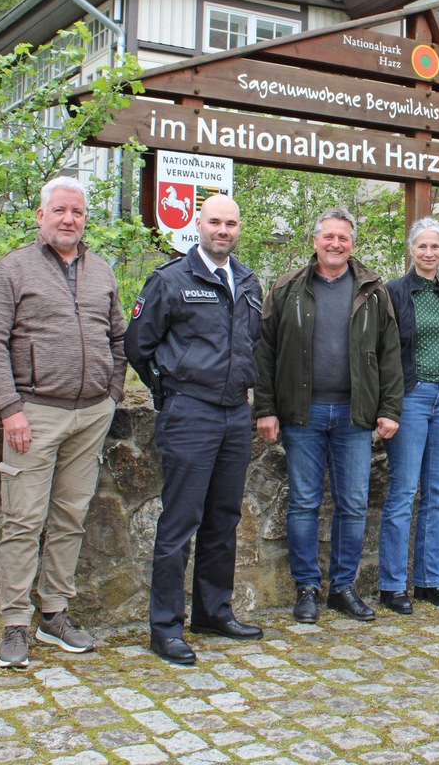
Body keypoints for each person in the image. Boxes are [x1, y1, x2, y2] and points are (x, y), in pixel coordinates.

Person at [0, 176, 126, 669]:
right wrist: (9, 407)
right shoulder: (12, 269)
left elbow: (120, 339)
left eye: (78, 212)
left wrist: (112, 395)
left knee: (69, 518)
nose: (69, 219)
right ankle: (14, 624)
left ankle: (54, 614)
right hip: (33, 414)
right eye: (60, 210)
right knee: (23, 521)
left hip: (90, 413)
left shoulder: (102, 270)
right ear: (41, 215)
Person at [124, 195, 263, 665]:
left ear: (239, 229)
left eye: (231, 223)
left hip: (234, 414)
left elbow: (253, 345)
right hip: (190, 414)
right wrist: (170, 393)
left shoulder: (247, 281)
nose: (223, 230)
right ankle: (165, 627)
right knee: (180, 522)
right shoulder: (170, 280)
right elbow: (138, 346)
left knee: (224, 519)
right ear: (197, 226)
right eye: (214, 222)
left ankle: (212, 611)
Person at [254, 208, 404, 624]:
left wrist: (389, 409)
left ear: (352, 244)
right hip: (303, 413)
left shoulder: (373, 291)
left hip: (355, 415)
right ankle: (306, 588)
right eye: (329, 237)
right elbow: (264, 352)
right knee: (303, 502)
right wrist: (264, 408)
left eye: (344, 238)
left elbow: (390, 355)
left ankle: (342, 588)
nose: (336, 244)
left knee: (353, 504)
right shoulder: (287, 288)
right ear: (315, 241)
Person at [377, 218, 439, 614]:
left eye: (435, 246)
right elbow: (383, 355)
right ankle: (392, 584)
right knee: (403, 492)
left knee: (436, 494)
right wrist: (387, 405)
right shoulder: (395, 293)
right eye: (422, 247)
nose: (429, 253)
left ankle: (430, 581)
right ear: (412, 250)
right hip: (411, 400)